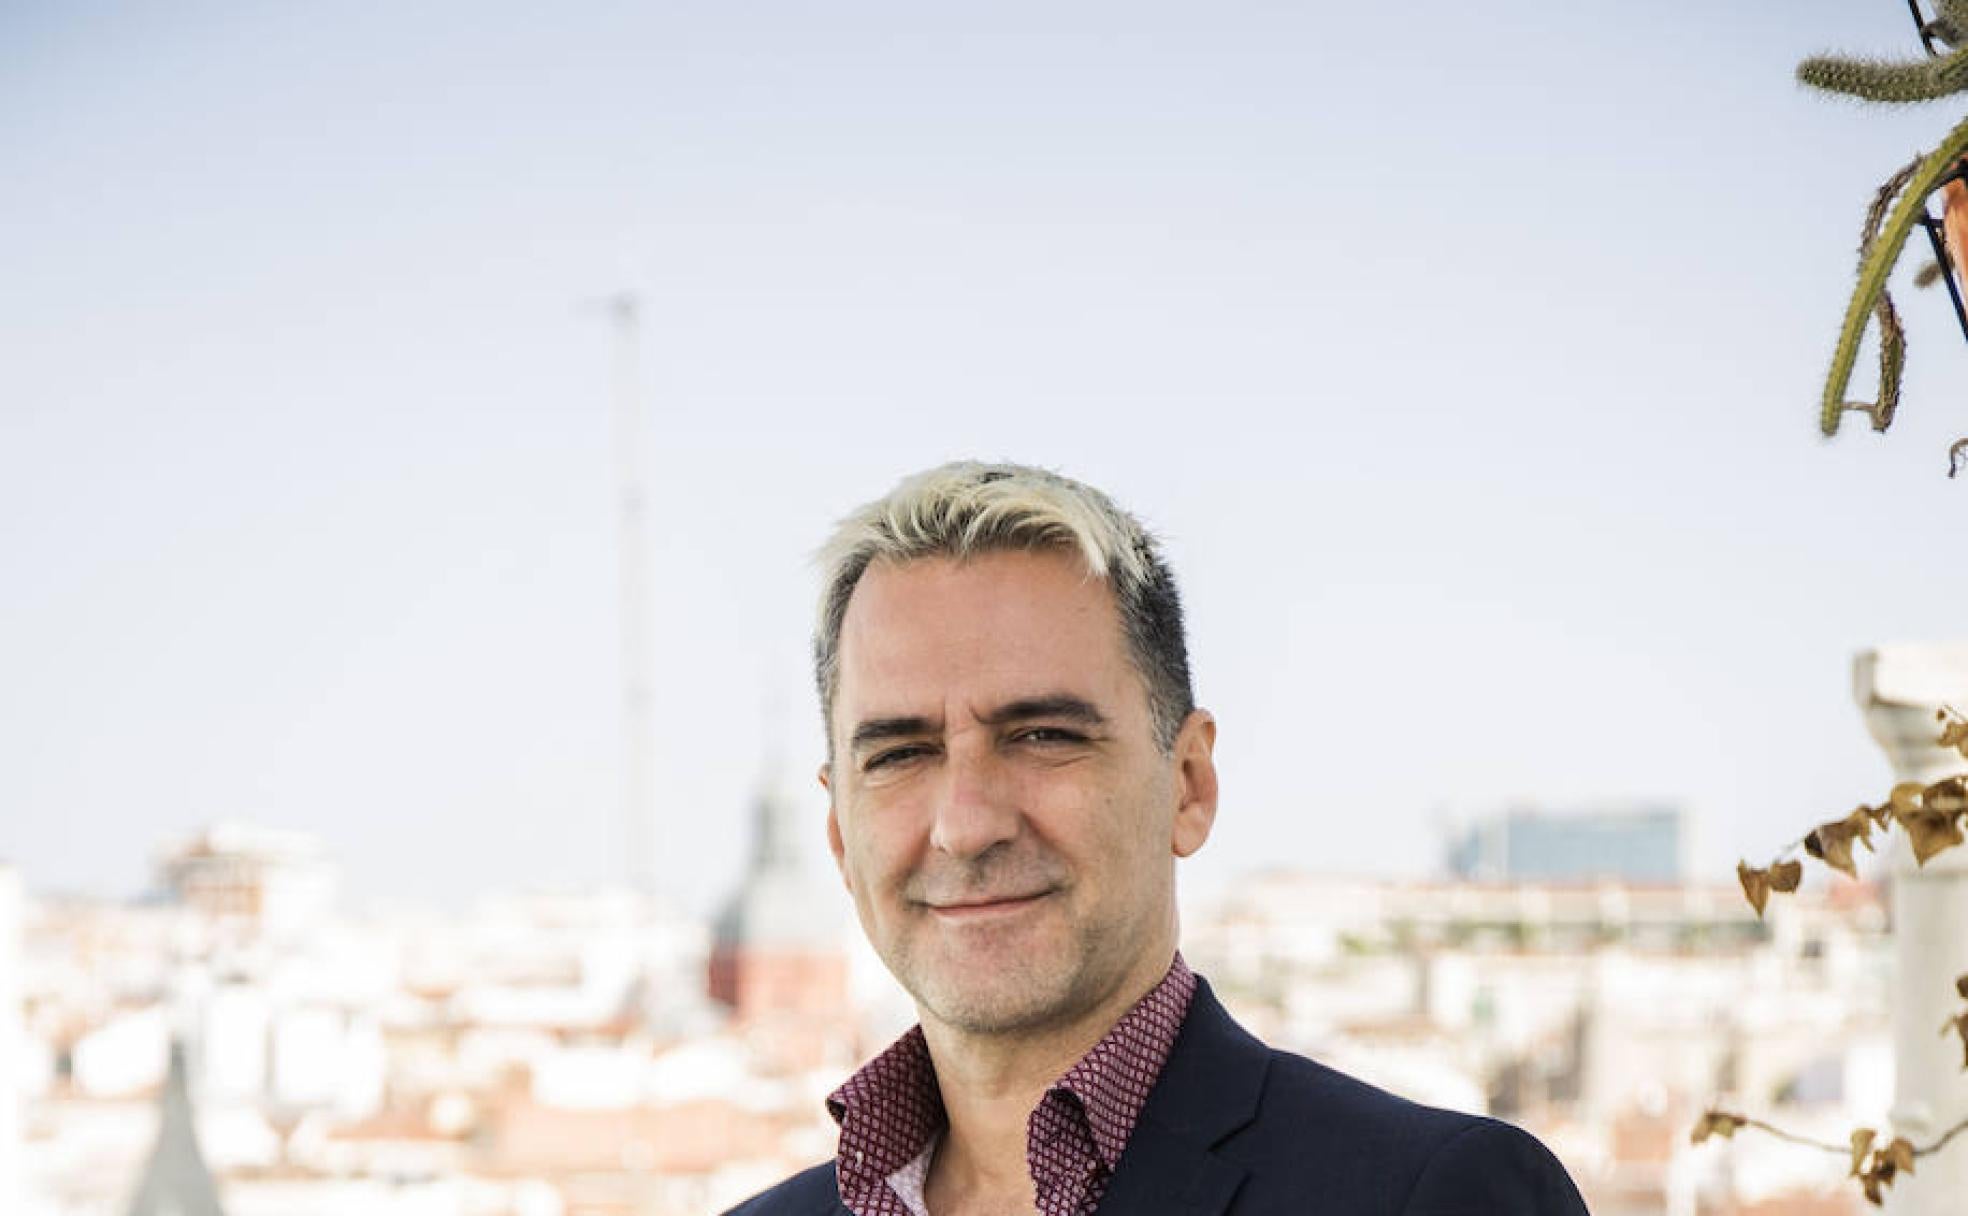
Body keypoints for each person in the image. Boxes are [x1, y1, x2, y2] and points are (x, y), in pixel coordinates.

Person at [727, 462, 1590, 1216]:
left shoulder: (1436, 1196)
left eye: (1043, 736)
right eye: (902, 753)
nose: (965, 824)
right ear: (839, 830)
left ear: (1189, 786)